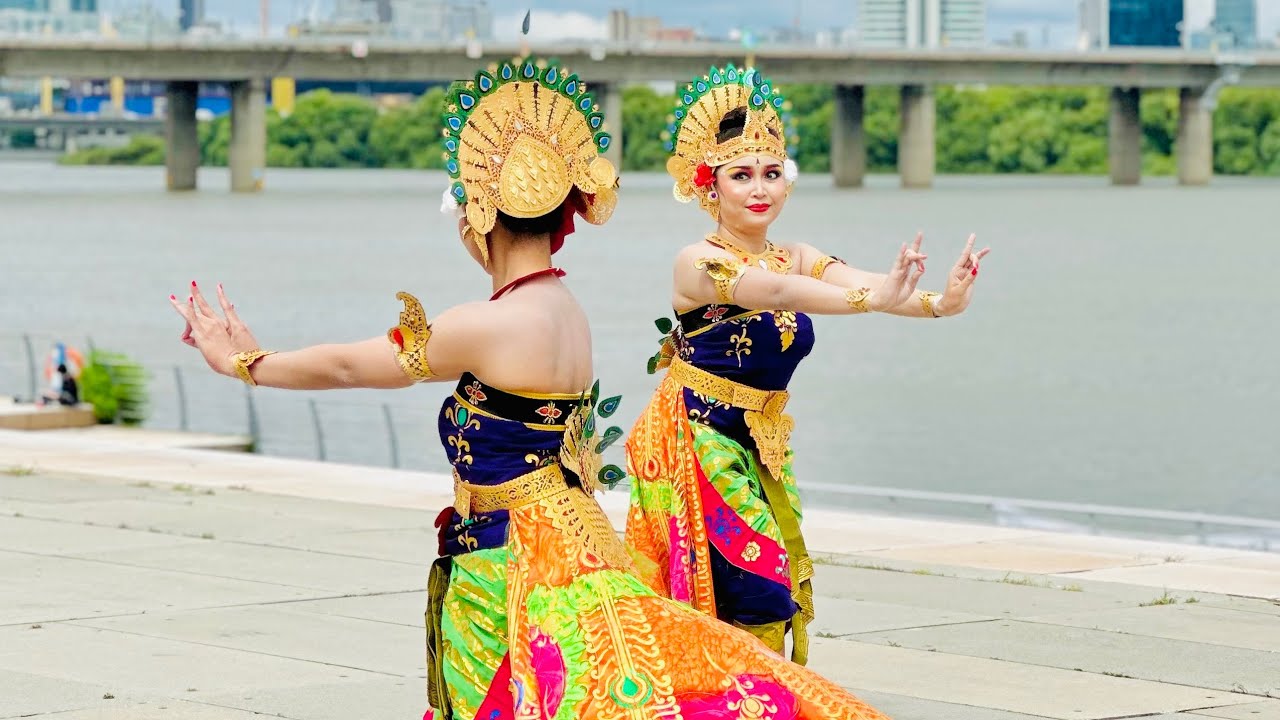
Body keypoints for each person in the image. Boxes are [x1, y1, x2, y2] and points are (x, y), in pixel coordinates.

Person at [170, 57, 889, 720]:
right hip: (569, 540)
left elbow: (354, 367)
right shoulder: (563, 312)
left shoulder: (489, 324)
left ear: (476, 221)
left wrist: (246, 363)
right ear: (563, 218)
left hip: (512, 561)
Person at [625, 64, 990, 664]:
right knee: (756, 581)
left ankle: (757, 693)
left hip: (763, 438)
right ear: (708, 188)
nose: (759, 187)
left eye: (771, 173)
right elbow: (774, 293)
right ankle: (738, 696)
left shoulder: (794, 254)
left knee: (778, 579)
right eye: (740, 175)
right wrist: (874, 298)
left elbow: (867, 282)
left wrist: (940, 302)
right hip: (699, 438)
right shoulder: (697, 261)